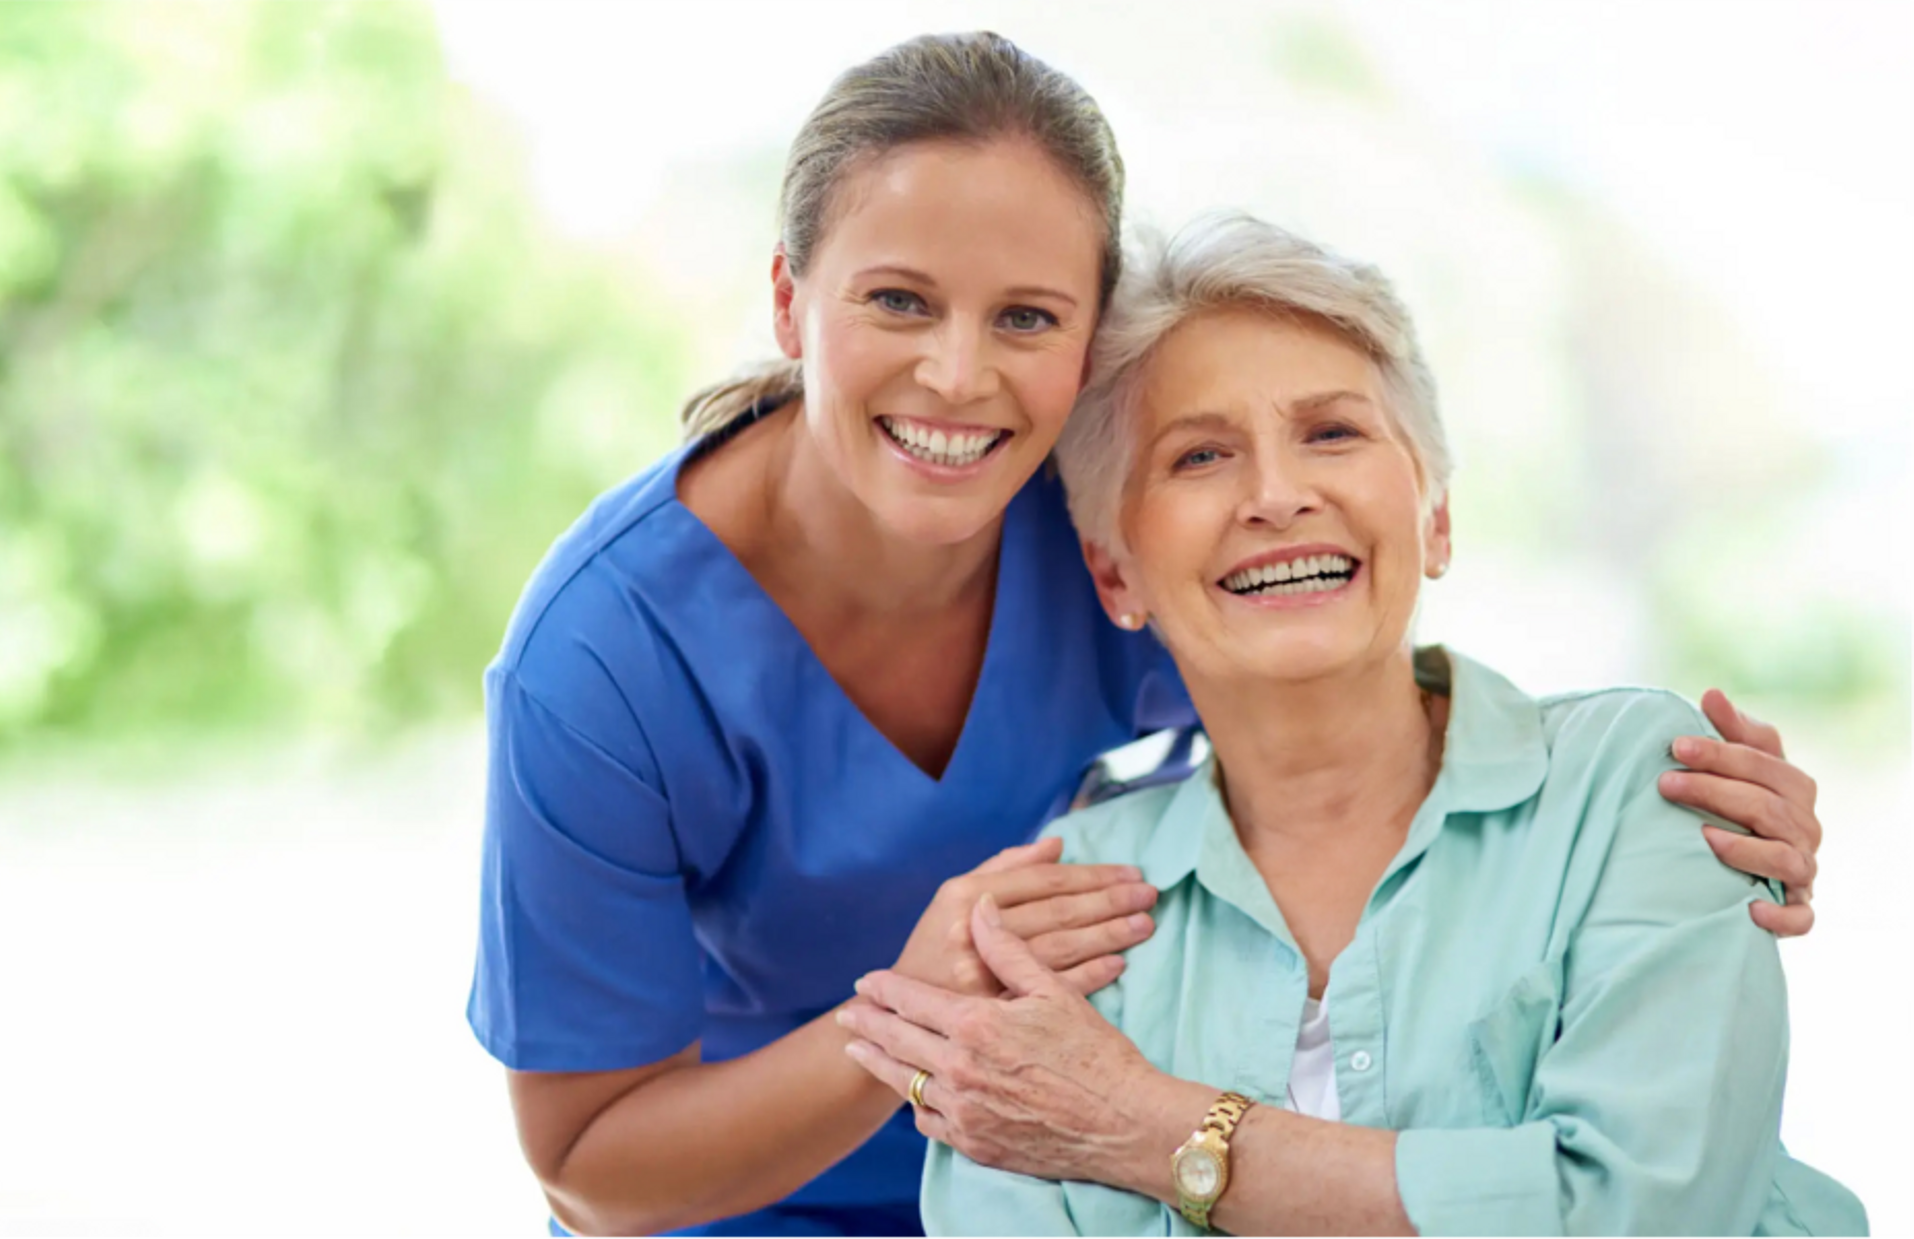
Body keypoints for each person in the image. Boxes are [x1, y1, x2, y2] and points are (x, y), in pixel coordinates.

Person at [469, 33, 1830, 1239]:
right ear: (786, 301)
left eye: (1026, 317)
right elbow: (593, 1164)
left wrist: (1641, 805)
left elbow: (1345, 680)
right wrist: (927, 1020)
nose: (959, 372)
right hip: (769, 1202)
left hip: (1113, 1159)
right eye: (898, 299)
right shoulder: (607, 654)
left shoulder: (1111, 504)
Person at [836, 213, 1865, 1238]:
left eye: (1333, 432)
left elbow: (1642, 1215)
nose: (1278, 496)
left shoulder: (1640, 788)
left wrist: (1139, 1125)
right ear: (1116, 573)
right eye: (1199, 456)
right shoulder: (1064, 909)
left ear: (1437, 518)